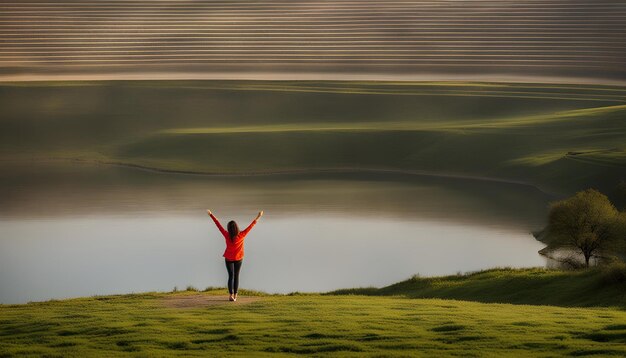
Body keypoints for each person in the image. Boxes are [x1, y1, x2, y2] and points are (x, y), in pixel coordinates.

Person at [207, 209, 263, 302]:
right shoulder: (242, 235)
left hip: (228, 258)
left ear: (229, 228)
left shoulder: (226, 235)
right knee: (237, 276)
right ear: (236, 227)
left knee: (230, 276)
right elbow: (252, 225)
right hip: (239, 258)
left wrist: (211, 214)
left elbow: (218, 225)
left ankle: (230, 295)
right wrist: (259, 216)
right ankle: (235, 296)